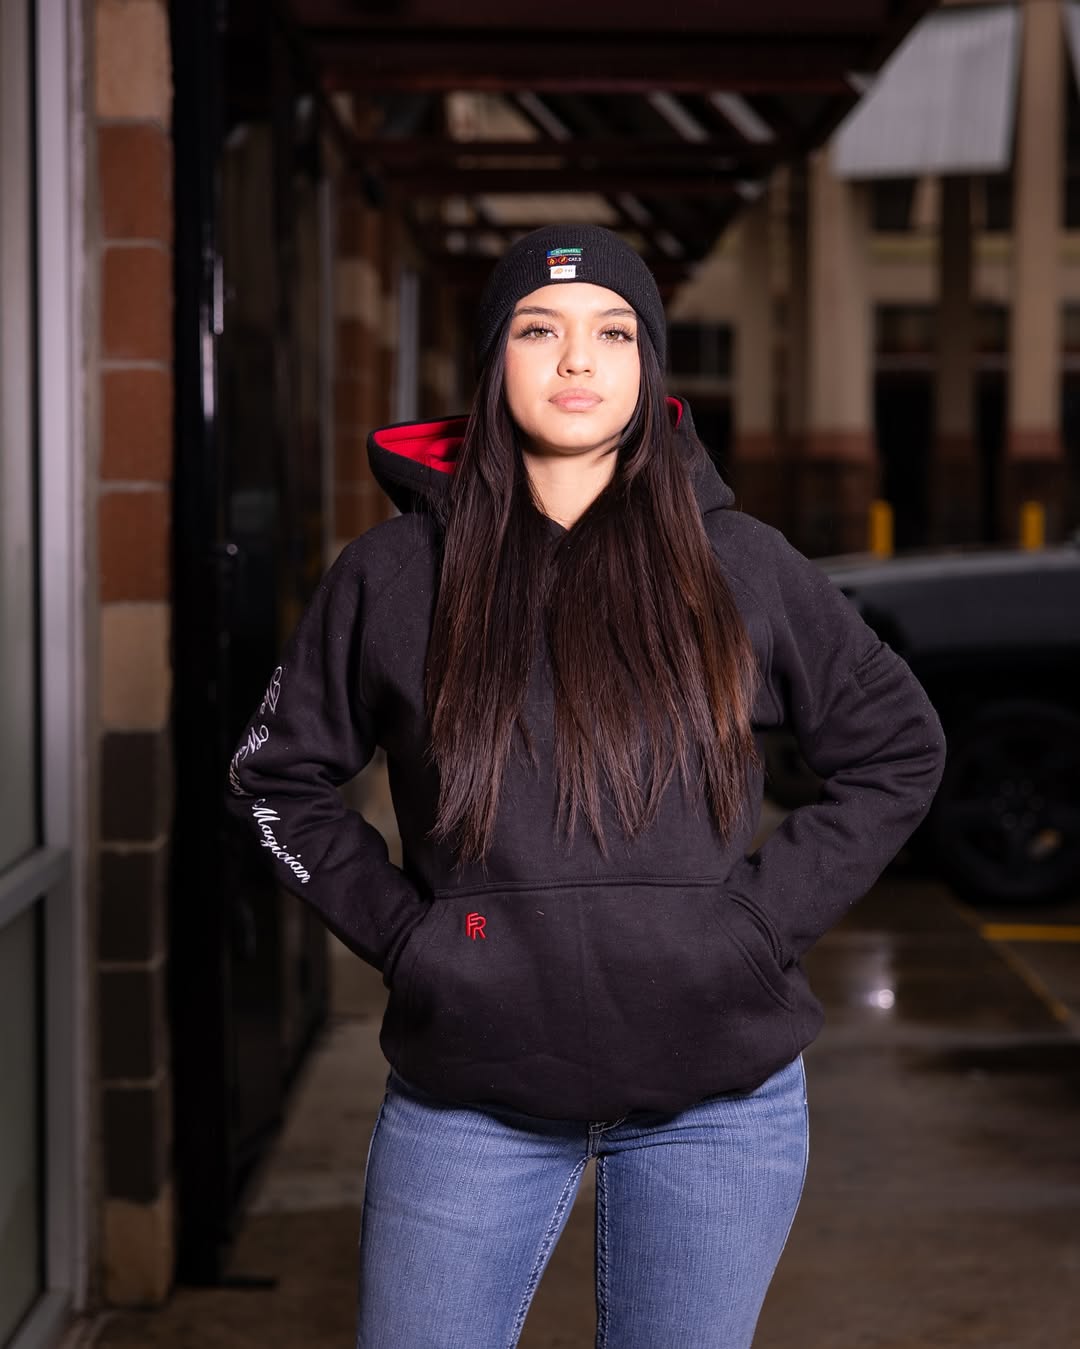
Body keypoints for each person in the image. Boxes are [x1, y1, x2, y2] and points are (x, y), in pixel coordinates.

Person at [224, 223, 946, 1348]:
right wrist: (414, 940)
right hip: (471, 1096)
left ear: (649, 366)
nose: (577, 360)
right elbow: (277, 778)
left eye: (613, 332)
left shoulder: (741, 565)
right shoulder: (393, 574)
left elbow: (898, 745)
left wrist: (754, 924)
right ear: (492, 362)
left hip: (719, 1102)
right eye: (539, 329)